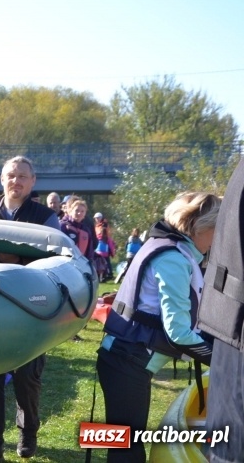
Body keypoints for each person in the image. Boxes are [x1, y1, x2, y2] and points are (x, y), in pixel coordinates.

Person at [98, 191, 219, 463]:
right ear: (201, 226)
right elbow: (178, 334)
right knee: (126, 450)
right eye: (218, 229)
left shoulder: (175, 249)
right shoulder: (174, 258)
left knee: (125, 445)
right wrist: (222, 361)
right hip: (125, 362)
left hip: (126, 360)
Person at [0, 156, 58, 462]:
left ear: (33, 182)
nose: (15, 181)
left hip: (30, 312)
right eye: (10, 175)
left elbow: (53, 264)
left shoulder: (45, 217)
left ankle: (27, 432)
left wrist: (14, 265)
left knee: (26, 380)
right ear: (1, 179)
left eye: (22, 176)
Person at [94, 212, 115, 281]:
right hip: (99, 244)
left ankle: (108, 274)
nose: (96, 219)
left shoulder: (104, 225)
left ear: (101, 218)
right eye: (96, 218)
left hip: (105, 244)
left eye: (98, 218)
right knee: (101, 260)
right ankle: (104, 274)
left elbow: (105, 234)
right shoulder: (97, 225)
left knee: (105, 260)